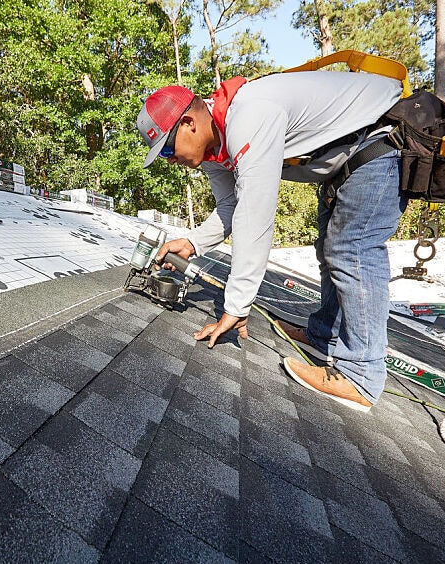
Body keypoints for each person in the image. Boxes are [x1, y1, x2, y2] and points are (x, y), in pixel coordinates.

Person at [137, 71, 407, 412]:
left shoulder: (248, 116)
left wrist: (236, 306)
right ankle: (324, 334)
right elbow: (229, 208)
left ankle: (362, 376)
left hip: (379, 140)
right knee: (329, 250)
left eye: (167, 150)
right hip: (345, 160)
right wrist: (192, 243)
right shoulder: (214, 149)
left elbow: (255, 216)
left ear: (189, 123)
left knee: (352, 250)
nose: (171, 160)